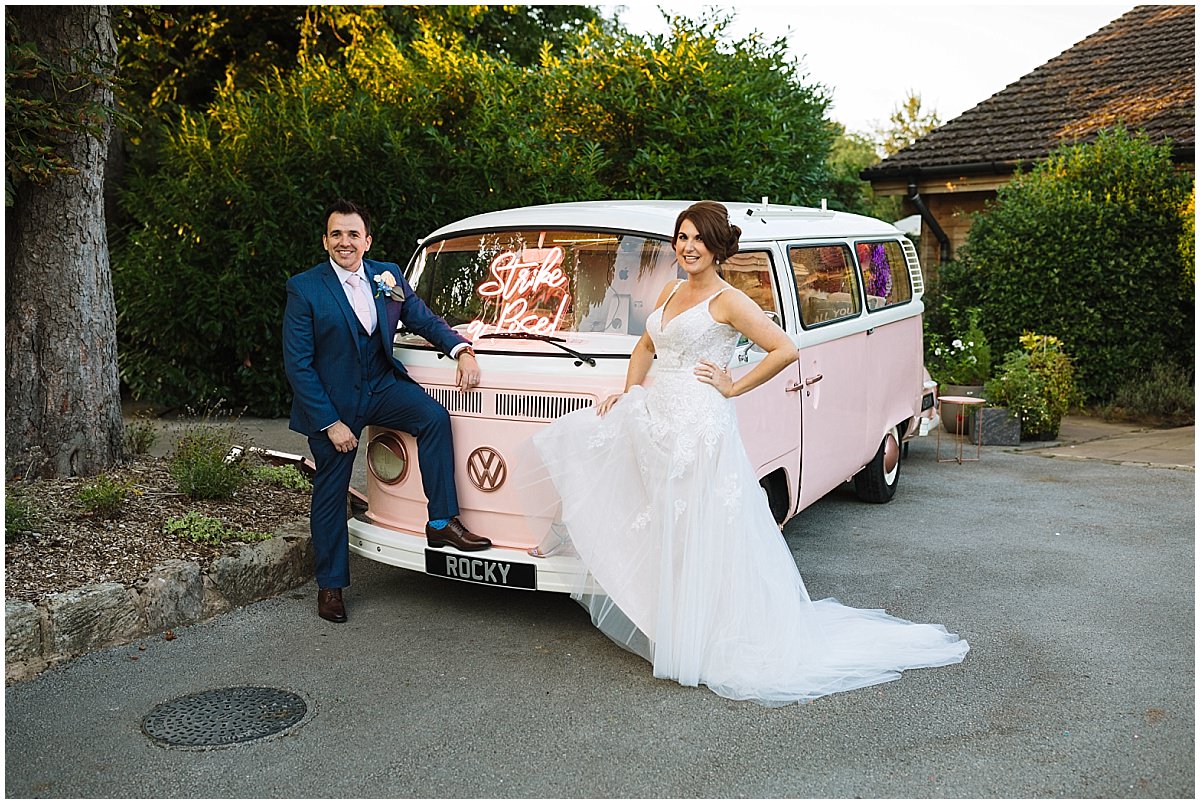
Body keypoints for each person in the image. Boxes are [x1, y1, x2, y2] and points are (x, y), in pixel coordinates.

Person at [528, 200, 969, 705]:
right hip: (660, 410)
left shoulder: (728, 299)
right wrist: (630, 392)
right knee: (636, 489)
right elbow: (646, 348)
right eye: (682, 237)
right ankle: (671, 621)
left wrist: (733, 385)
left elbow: (785, 349)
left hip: (699, 420)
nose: (688, 247)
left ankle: (706, 636)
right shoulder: (670, 290)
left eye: (698, 239)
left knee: (700, 522)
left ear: (717, 248)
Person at [283, 199, 491, 623]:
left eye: (353, 234)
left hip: (381, 387)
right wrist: (330, 422)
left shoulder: (387, 275)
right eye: (336, 234)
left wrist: (461, 349)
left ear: (367, 240)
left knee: (434, 418)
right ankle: (331, 586)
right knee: (330, 492)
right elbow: (298, 364)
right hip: (333, 403)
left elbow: (421, 318)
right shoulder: (305, 288)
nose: (345, 241)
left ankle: (441, 523)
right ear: (325, 241)